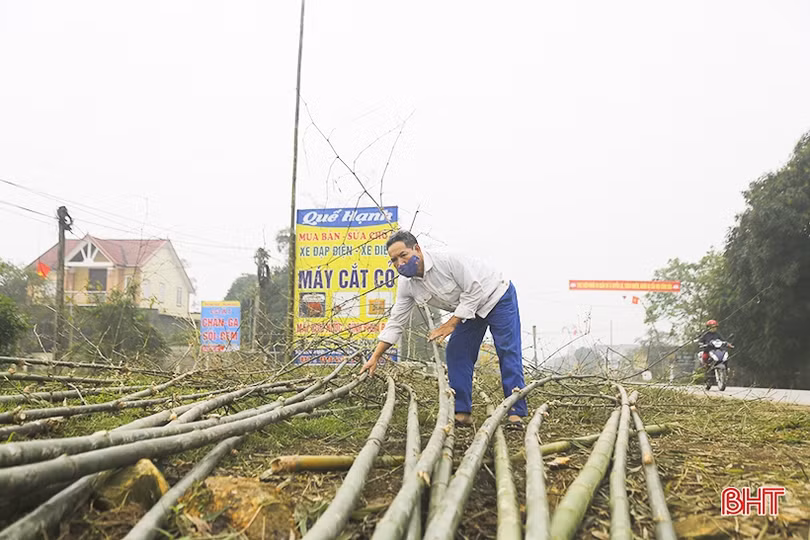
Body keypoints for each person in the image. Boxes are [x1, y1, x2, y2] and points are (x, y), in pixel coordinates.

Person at [361, 230, 527, 429]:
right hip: (467, 308)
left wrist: (450, 324)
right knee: (457, 352)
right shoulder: (407, 285)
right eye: (394, 260)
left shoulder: (448, 260)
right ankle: (462, 413)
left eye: (403, 255)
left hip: (496, 296)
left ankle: (516, 413)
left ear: (417, 249)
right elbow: (396, 322)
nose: (400, 263)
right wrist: (376, 357)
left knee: (507, 350)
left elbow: (474, 289)